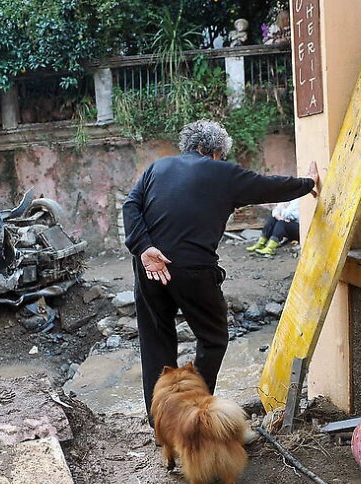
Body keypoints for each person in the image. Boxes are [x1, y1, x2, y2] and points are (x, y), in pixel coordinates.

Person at [123, 119, 320, 423]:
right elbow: (268, 186)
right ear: (209, 151)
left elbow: (131, 205)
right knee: (213, 339)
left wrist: (144, 247)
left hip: (149, 265)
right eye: (219, 155)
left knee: (156, 339)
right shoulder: (222, 172)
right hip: (193, 269)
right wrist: (307, 183)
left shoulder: (157, 168)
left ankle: (161, 420)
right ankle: (194, 414)